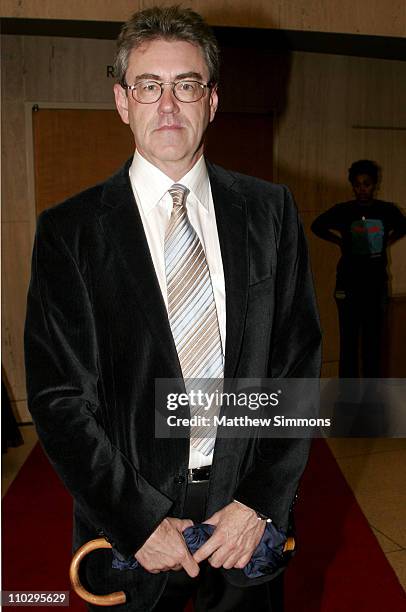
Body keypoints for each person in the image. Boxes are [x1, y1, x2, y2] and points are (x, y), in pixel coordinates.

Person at [24, 6, 321, 611]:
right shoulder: (71, 230)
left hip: (245, 531)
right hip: (131, 538)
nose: (167, 104)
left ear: (210, 100)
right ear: (122, 100)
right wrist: (138, 522)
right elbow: (58, 400)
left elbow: (296, 368)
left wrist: (261, 502)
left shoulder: (269, 212)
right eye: (148, 85)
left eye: (185, 84)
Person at [311, 159, 406, 378]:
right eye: (358, 184)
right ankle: (348, 396)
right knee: (349, 341)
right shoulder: (344, 211)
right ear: (352, 185)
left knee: (373, 342)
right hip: (348, 284)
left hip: (376, 284)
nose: (362, 189)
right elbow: (317, 225)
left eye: (367, 184)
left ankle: (373, 397)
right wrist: (338, 241)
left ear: (375, 185)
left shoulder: (386, 210)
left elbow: (403, 225)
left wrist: (387, 241)